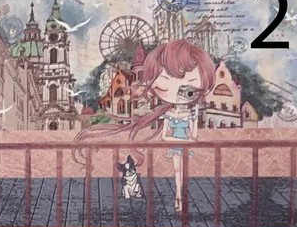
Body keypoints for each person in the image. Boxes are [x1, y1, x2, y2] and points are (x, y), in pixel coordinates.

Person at [73, 39, 215, 214]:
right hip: (177, 147)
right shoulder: (163, 110)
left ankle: (181, 198)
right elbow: (167, 134)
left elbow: (189, 131)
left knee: (182, 172)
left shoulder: (181, 110)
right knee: (179, 171)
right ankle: (179, 198)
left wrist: (190, 136)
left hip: (181, 146)